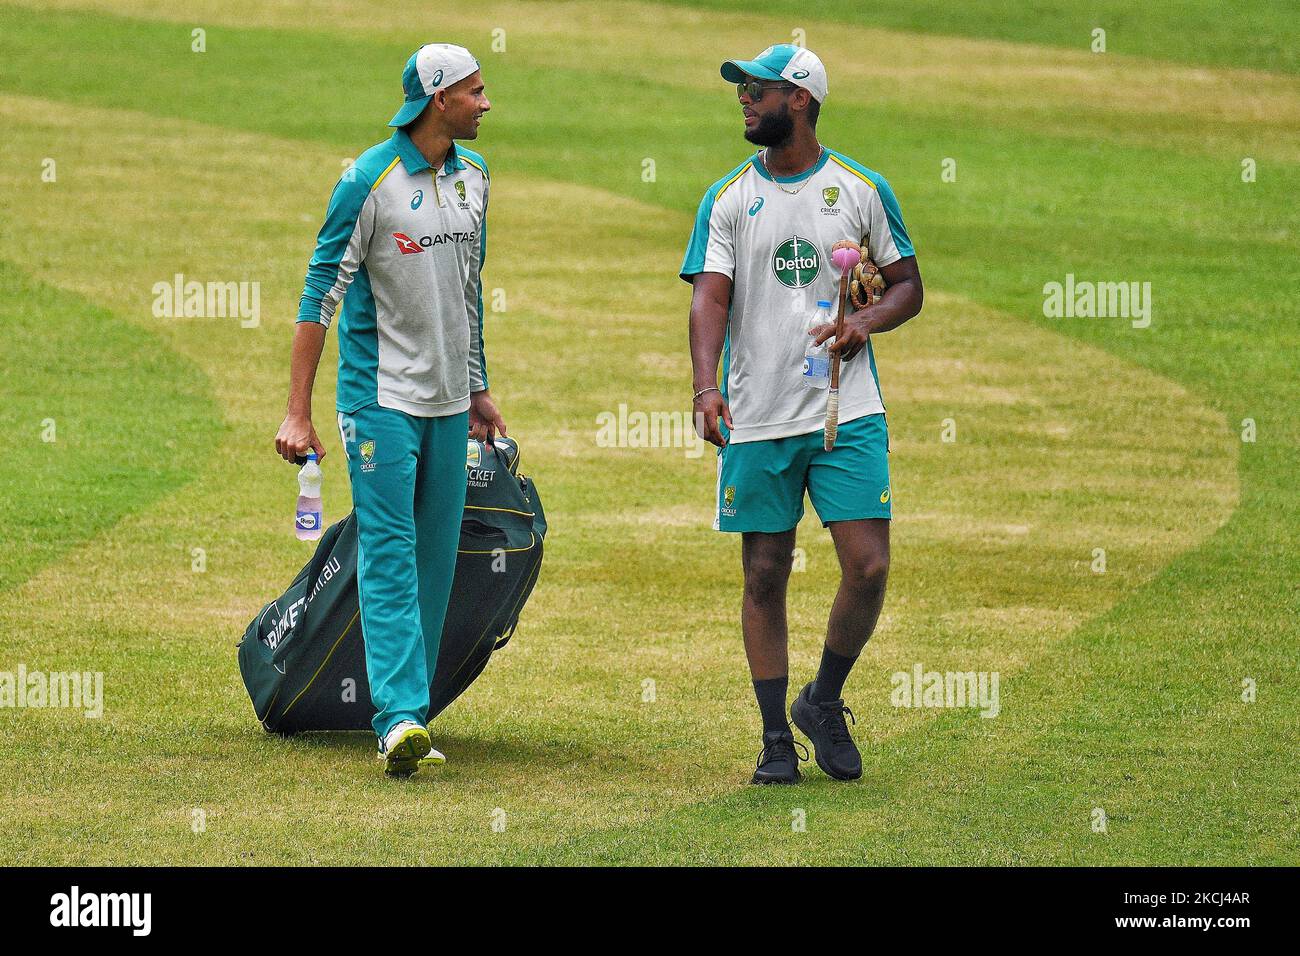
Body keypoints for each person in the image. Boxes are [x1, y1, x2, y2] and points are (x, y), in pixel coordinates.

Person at [681, 44, 924, 784]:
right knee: (764, 572)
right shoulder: (728, 198)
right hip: (757, 413)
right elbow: (710, 296)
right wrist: (704, 387)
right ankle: (774, 740)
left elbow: (907, 286)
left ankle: (823, 698)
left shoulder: (860, 189)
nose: (745, 102)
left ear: (802, 99)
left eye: (758, 91)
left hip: (846, 409)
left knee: (869, 565)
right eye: (743, 92)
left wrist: (865, 323)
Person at [274, 43, 506, 776]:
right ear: (438, 99)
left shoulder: (476, 180)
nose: (485, 102)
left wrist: (476, 387)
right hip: (379, 400)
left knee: (437, 559)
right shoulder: (367, 180)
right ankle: (398, 716)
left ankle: (413, 712)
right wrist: (297, 413)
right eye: (474, 91)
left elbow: (466, 294)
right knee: (390, 550)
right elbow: (320, 296)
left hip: (445, 404)